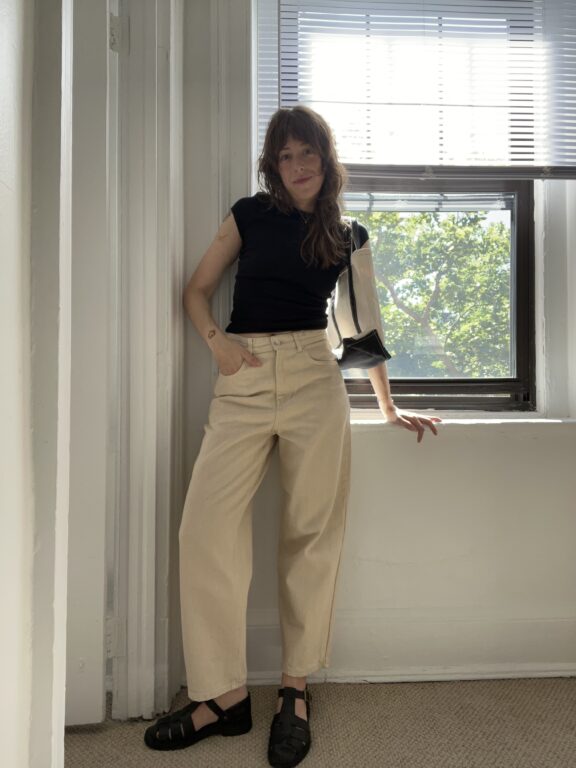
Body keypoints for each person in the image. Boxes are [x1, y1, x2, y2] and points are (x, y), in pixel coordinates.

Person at [144, 105, 441, 767]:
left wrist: (390, 410)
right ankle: (221, 697)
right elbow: (197, 290)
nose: (299, 167)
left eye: (309, 154)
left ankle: (294, 690)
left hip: (313, 375)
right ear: (272, 166)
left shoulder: (348, 235)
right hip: (243, 373)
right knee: (205, 529)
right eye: (287, 157)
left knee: (311, 534)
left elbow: (363, 332)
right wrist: (218, 345)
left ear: (326, 159)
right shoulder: (250, 215)